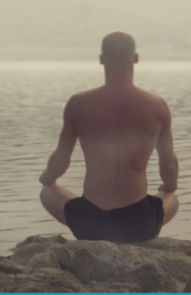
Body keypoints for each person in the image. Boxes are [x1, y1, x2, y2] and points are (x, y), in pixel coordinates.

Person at [38, 31, 179, 243]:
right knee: (171, 198)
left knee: (47, 191)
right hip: (139, 224)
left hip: (90, 224)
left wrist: (47, 179)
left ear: (101, 60)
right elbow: (168, 166)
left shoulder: (78, 104)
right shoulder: (157, 106)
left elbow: (60, 161)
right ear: (136, 59)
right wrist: (169, 187)